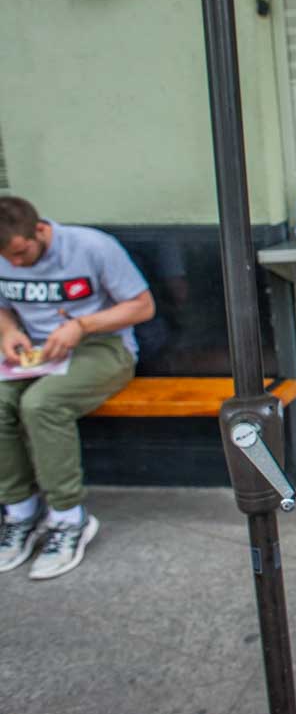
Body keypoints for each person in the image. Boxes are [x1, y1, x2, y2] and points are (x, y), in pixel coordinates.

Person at [0, 197, 154, 579]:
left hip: (103, 347)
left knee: (42, 405)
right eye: (8, 259)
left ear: (39, 229)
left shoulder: (91, 247)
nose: (16, 264)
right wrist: (9, 331)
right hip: (36, 350)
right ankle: (19, 511)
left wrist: (82, 326)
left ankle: (69, 518)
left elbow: (142, 306)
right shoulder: (4, 253)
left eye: (21, 253)